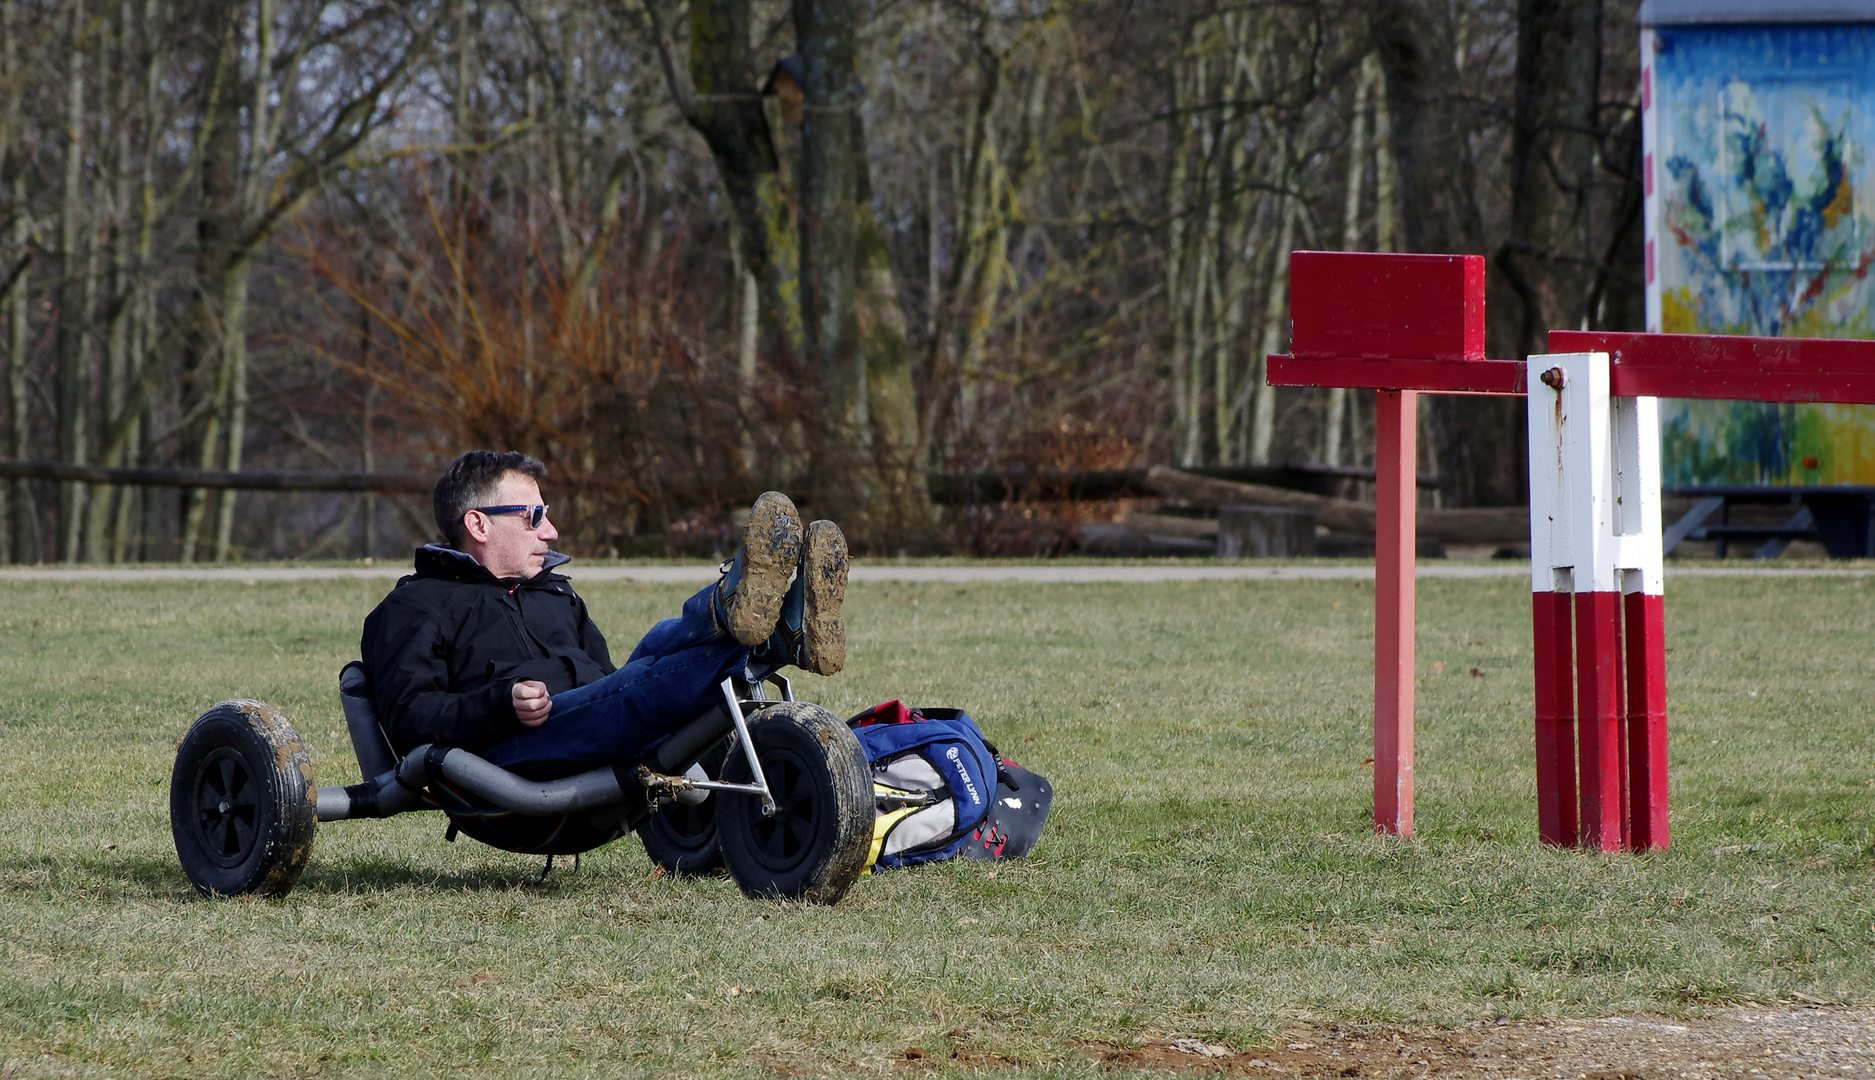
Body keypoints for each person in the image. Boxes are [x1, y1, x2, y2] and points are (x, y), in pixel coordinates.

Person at [360, 450, 847, 780]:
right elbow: (408, 719)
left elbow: (610, 677)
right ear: (478, 524)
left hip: (595, 715)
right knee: (645, 682)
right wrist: (500, 703)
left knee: (660, 644)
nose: (550, 531)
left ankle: (743, 611)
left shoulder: (554, 592)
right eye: (533, 516)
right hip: (510, 751)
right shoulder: (415, 607)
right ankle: (771, 629)